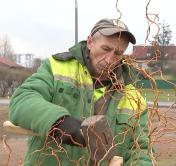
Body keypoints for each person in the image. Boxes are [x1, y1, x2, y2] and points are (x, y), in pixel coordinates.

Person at [9, 18, 153, 165]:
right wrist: (59, 122)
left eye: (117, 53)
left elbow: (141, 151)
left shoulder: (133, 97)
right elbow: (22, 100)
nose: (110, 59)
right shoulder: (56, 68)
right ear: (90, 42)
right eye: (105, 49)